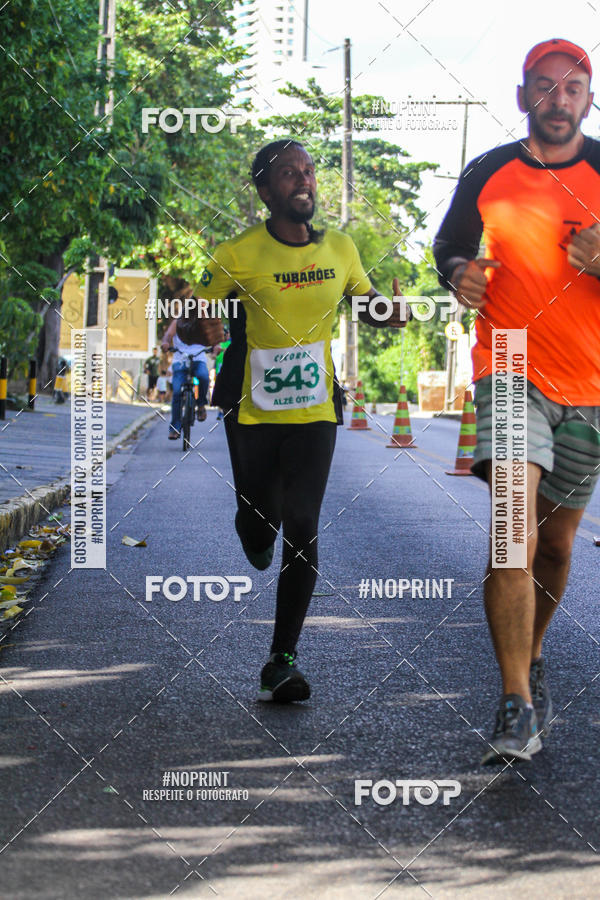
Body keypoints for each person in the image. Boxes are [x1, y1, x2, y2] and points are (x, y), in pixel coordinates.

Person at [181, 138, 410, 702]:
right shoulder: (237, 254)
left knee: (303, 525)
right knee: (262, 524)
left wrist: (392, 313)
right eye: (288, 173)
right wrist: (199, 330)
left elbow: (366, 303)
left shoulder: (340, 249)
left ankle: (282, 659)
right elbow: (194, 322)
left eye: (308, 171)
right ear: (264, 190)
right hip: (251, 408)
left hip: (315, 409)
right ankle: (251, 526)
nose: (303, 180)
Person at [433, 39, 600, 765]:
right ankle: (515, 703)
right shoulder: (488, 171)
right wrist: (460, 274)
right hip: (507, 365)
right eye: (544, 86)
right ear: (523, 95)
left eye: (572, 88)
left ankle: (528, 654)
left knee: (557, 545)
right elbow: (448, 248)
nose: (557, 100)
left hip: (593, 387)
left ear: (588, 100)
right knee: (511, 531)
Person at [161, 321, 209, 438]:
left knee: (203, 376)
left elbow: (213, 336)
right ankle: (175, 428)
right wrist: (165, 343)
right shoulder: (178, 321)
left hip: (198, 358)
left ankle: (201, 405)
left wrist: (216, 345)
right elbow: (168, 335)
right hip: (180, 360)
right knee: (177, 393)